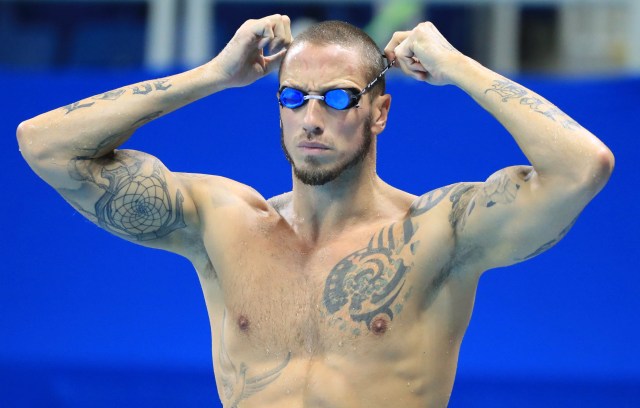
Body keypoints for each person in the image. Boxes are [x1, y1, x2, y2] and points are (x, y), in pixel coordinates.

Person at [17, 14, 613, 408]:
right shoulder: (223, 222)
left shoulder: (438, 230)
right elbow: (45, 145)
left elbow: (582, 166)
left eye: (336, 98)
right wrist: (213, 76)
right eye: (293, 97)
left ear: (378, 112)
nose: (311, 117)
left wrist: (457, 67)